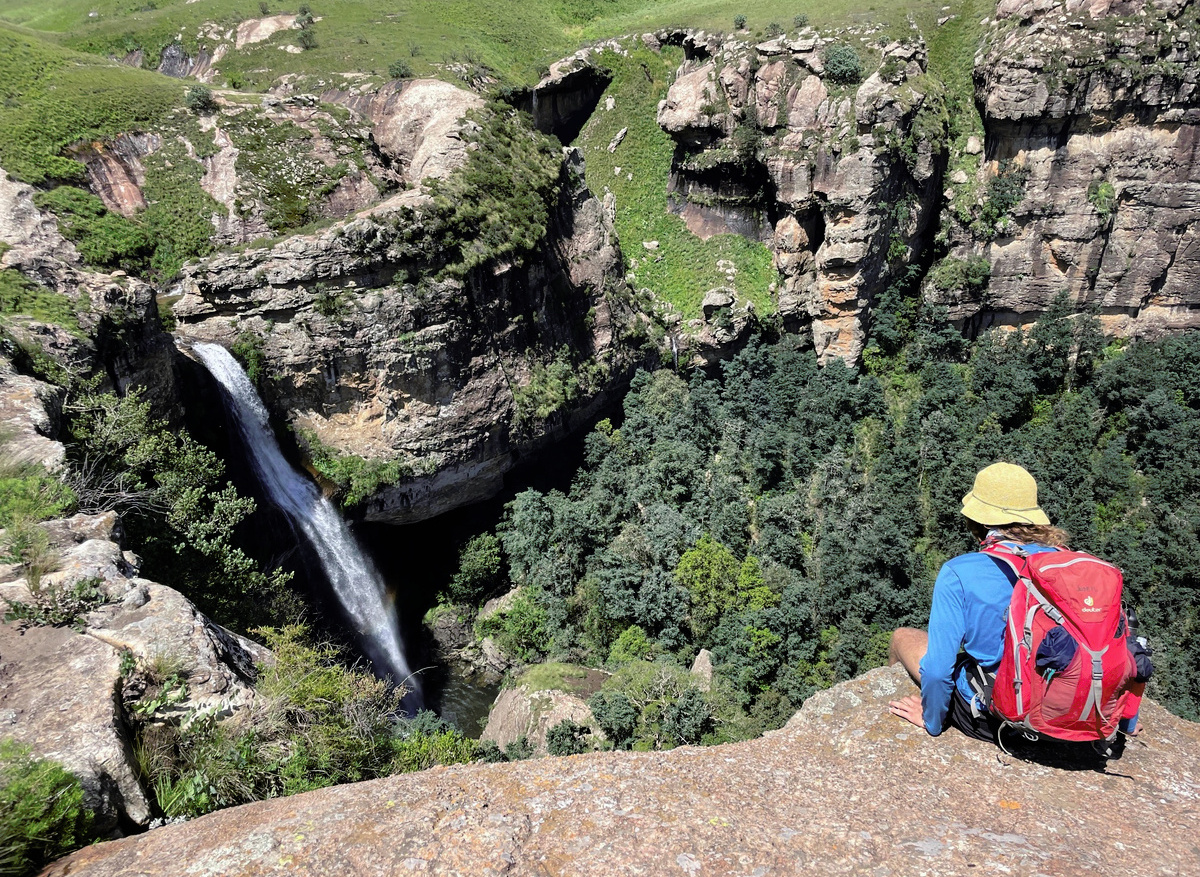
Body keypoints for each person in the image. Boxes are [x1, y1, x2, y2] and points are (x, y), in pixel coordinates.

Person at [886, 462, 1069, 740]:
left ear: (980, 521)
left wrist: (931, 721)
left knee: (902, 637)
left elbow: (938, 671)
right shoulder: (1069, 563)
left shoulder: (959, 572)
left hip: (1002, 718)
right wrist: (1124, 721)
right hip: (1071, 711)